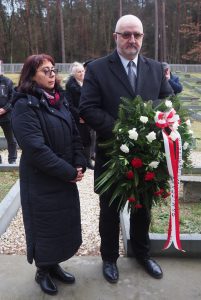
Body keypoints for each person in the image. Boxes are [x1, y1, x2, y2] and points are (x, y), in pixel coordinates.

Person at [79, 14, 173, 284]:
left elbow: (166, 101)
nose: (132, 39)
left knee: (143, 209)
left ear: (143, 37)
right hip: (112, 155)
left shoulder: (155, 68)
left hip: (146, 157)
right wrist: (123, 129)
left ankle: (143, 254)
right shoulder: (97, 69)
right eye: (126, 34)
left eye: (137, 35)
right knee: (109, 210)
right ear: (115, 37)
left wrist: (154, 127)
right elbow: (87, 108)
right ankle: (109, 259)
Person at [11, 54, 86, 296]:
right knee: (45, 227)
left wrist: (79, 162)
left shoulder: (58, 100)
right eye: (45, 71)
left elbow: (75, 134)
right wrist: (68, 172)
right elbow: (36, 149)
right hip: (41, 180)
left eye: (53, 70)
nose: (52, 74)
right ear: (31, 74)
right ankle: (43, 270)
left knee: (62, 224)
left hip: (63, 177)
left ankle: (54, 264)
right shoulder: (24, 104)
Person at [66, 62, 94, 169]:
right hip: (78, 117)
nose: (82, 73)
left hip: (89, 115)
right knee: (81, 139)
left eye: (83, 71)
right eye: (79, 72)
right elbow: (70, 104)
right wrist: (80, 116)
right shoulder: (70, 85)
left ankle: (88, 160)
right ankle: (81, 161)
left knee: (90, 138)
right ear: (74, 74)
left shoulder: (87, 82)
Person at [0, 71, 17, 164]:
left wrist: (5, 109)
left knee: (11, 139)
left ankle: (12, 159)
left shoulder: (8, 82)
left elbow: (12, 98)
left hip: (7, 116)